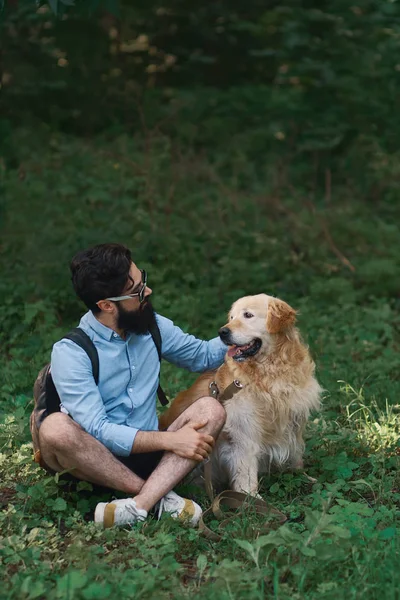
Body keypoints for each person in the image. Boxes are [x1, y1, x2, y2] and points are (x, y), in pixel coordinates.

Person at [32, 243, 226, 529]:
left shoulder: (152, 326)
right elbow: (99, 429)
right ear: (107, 305)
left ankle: (138, 505)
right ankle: (158, 497)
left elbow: (203, 356)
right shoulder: (71, 352)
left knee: (211, 409)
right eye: (136, 290)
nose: (147, 292)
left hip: (148, 454)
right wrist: (170, 441)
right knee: (54, 428)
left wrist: (250, 329)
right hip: (94, 459)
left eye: (142, 280)